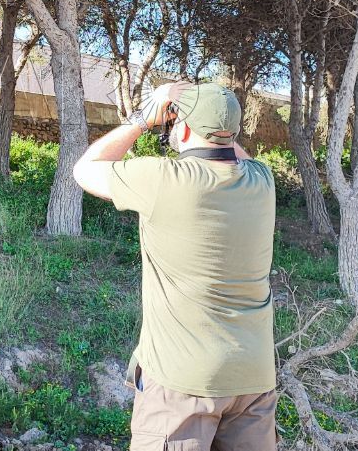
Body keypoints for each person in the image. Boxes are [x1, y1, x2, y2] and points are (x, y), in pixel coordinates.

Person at [73, 82, 277, 451]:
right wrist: (212, 110)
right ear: (232, 132)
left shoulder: (162, 179)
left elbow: (86, 169)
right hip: (253, 379)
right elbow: (231, 152)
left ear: (181, 129)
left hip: (183, 382)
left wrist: (142, 119)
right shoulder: (262, 182)